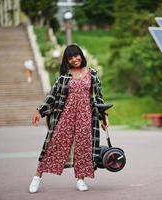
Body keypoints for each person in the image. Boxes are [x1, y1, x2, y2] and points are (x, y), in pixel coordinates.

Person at [29, 44, 109, 193]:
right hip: (66, 116)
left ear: (81, 55)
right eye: (70, 57)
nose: (74, 59)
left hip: (86, 117)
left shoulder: (92, 74)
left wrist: (104, 117)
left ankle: (80, 179)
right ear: (67, 60)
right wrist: (39, 111)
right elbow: (52, 96)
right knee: (53, 145)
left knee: (83, 148)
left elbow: (98, 98)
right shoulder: (64, 77)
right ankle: (37, 177)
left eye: (76, 55)